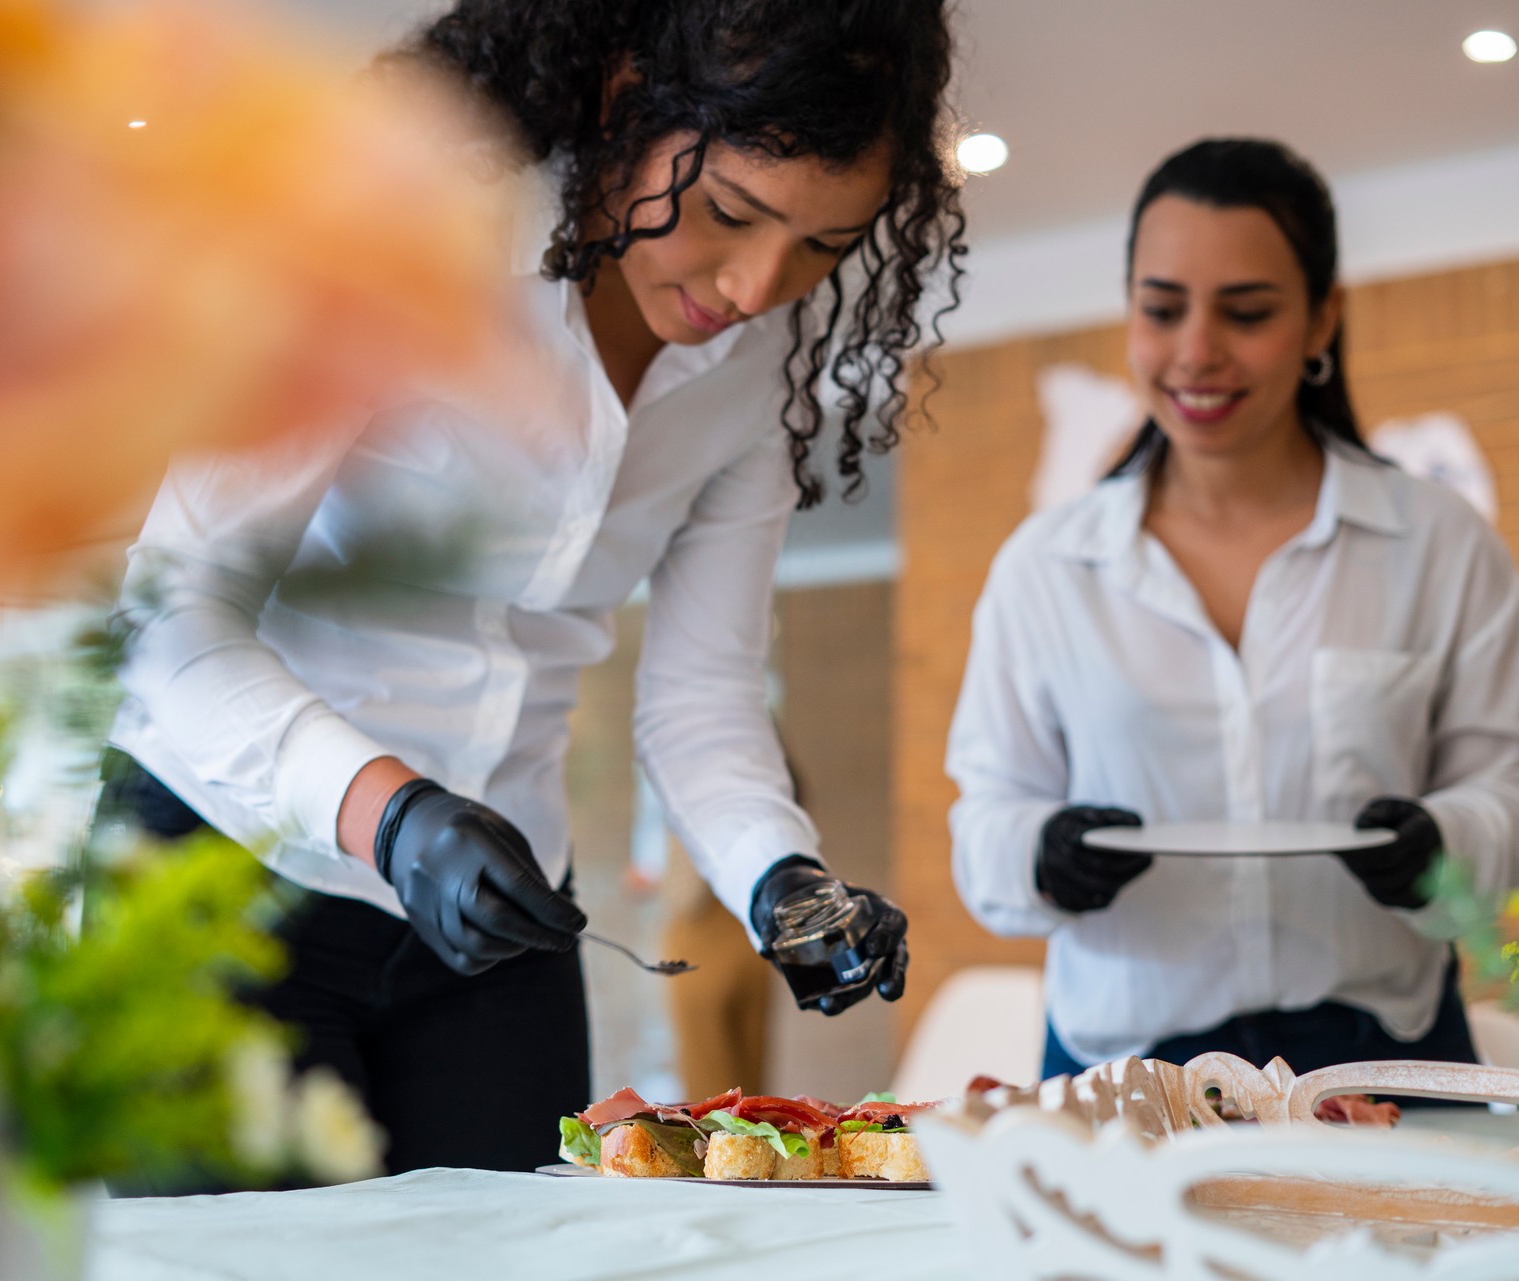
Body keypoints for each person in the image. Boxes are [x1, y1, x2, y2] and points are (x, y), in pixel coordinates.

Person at [102, 0, 964, 1176]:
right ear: (626, 101)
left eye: (822, 245)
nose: (761, 284)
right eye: (727, 213)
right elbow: (172, 622)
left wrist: (784, 879)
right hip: (226, 870)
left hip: (501, 914)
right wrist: (390, 813)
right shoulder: (396, 238)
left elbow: (701, 691)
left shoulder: (757, 366)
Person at [946, 138, 1519, 1082]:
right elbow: (986, 817)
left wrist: (1445, 841)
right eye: (1162, 310)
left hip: (1382, 1056)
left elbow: (1512, 796)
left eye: (1248, 311)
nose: (1196, 352)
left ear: (1324, 319)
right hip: (1122, 1068)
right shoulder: (1046, 567)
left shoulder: (1438, 542)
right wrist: (1042, 852)